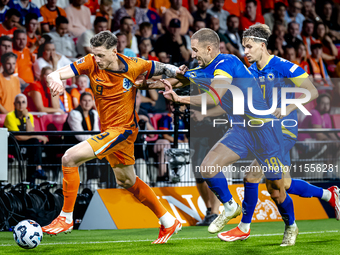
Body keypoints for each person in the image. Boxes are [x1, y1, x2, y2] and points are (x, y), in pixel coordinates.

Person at [150, 28, 297, 246]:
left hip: (266, 131)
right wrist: (140, 84)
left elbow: (213, 97)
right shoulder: (203, 68)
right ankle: (230, 207)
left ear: (209, 48)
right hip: (241, 130)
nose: (192, 55)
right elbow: (180, 80)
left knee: (277, 189)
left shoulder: (226, 64)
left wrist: (180, 99)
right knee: (207, 168)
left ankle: (291, 225)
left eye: (195, 50)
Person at [41, 31, 185, 244]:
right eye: (94, 55)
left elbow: (166, 70)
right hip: (110, 130)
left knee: (69, 158)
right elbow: (60, 72)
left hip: (123, 130)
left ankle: (66, 217)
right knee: (126, 180)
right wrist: (54, 78)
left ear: (114, 52)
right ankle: (168, 220)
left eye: (100, 55)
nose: (97, 59)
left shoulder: (135, 65)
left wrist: (173, 75)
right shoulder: (90, 62)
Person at [202, 24, 339, 243]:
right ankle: (327, 196)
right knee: (280, 187)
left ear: (262, 45)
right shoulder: (250, 72)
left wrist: (288, 108)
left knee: (251, 176)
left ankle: (244, 227)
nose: (245, 51)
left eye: (248, 46)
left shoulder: (283, 66)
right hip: (261, 132)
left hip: (282, 132)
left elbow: (312, 91)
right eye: (243, 47)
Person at [4, 93, 49, 183]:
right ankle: (33, 175)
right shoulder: (10, 116)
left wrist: (27, 117)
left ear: (26, 104)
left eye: (23, 102)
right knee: (35, 144)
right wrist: (38, 136)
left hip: (25, 145)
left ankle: (32, 179)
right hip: (13, 146)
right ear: (14, 104)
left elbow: (30, 132)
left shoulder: (29, 116)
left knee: (34, 144)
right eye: (18, 102)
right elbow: (18, 137)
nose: (21, 105)